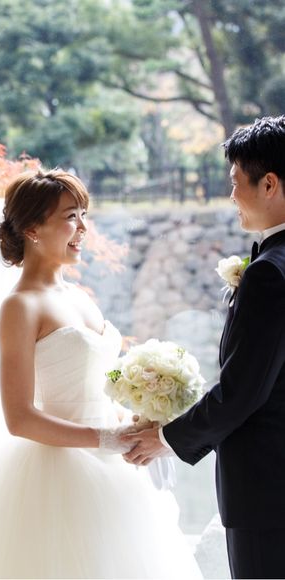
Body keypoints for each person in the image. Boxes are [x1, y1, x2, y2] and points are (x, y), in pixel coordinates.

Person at [0, 169, 202, 578]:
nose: (83, 228)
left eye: (83, 215)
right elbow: (19, 418)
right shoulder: (20, 306)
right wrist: (106, 438)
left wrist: (136, 421)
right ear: (32, 229)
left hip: (114, 466)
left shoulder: (79, 297)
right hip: (54, 471)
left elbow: (99, 385)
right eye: (70, 217)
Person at [122, 116, 285, 579]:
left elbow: (242, 391)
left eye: (235, 183)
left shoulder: (269, 273)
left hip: (267, 494)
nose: (231, 195)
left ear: (268, 184)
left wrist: (165, 438)